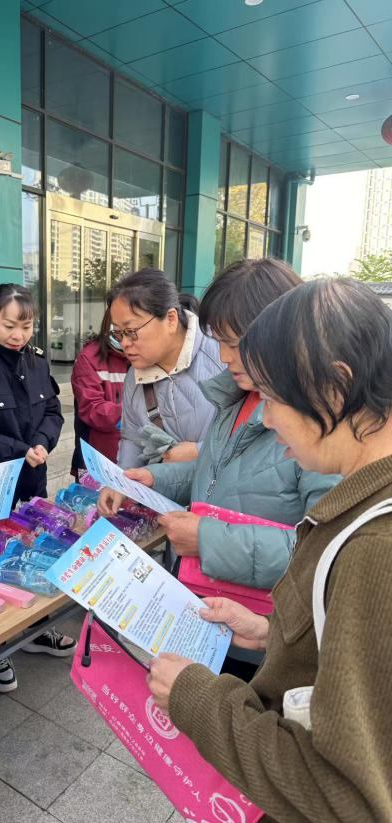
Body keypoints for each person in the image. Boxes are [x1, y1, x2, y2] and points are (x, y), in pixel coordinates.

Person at [147, 278, 392, 821]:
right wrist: (271, 632)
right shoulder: (364, 507)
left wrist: (194, 697)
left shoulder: (375, 549)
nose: (266, 417)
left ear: (334, 388)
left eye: (275, 398)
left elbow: (346, 796)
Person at [99, 258, 339, 590]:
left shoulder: (323, 427)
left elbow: (327, 554)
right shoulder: (235, 397)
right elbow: (217, 474)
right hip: (209, 596)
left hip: (263, 614)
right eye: (219, 341)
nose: (223, 357)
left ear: (283, 336)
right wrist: (152, 479)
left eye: (234, 344)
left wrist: (207, 540)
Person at [0, 283, 75, 694]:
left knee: (33, 554)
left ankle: (36, 628)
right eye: (9, 325)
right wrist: (21, 449)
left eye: (26, 326)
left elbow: (53, 410)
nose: (18, 335)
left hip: (32, 481)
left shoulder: (37, 360)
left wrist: (42, 442)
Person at [107, 268, 222, 469]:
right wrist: (123, 482)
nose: (124, 343)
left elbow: (258, 439)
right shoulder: (134, 378)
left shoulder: (222, 354)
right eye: (118, 334)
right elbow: (132, 439)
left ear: (170, 319)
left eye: (131, 331)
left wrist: (200, 452)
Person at [70, 307, 129, 475]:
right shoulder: (89, 358)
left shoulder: (147, 356)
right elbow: (92, 409)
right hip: (99, 462)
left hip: (136, 460)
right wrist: (134, 412)